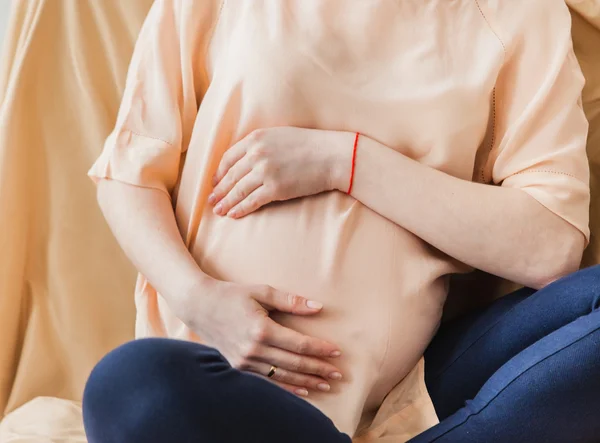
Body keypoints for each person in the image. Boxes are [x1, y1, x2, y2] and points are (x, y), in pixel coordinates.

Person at [81, 0, 599, 442]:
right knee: (128, 384)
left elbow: (550, 246)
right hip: (212, 375)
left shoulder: (518, 13)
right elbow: (129, 174)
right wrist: (198, 298)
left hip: (407, 401)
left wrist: (346, 163)